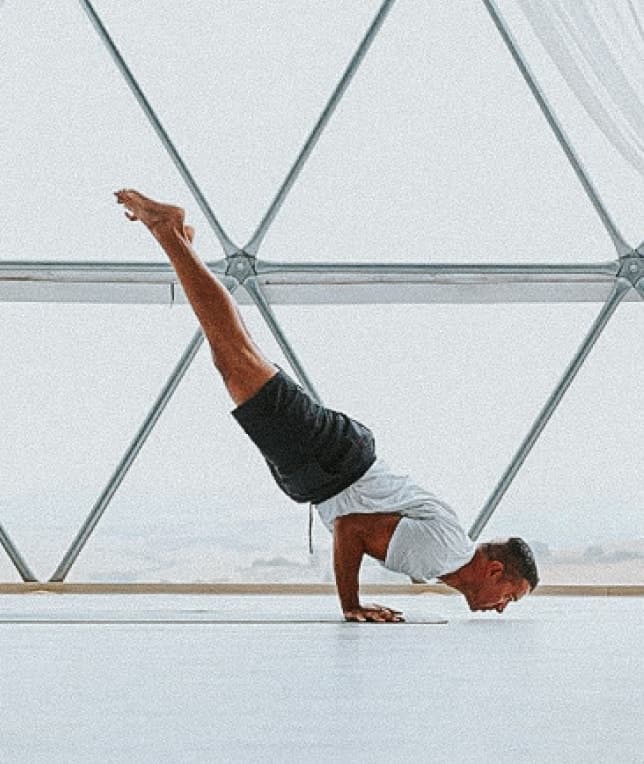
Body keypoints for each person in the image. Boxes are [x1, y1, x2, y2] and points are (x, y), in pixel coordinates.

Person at [114, 189, 539, 623]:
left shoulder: (444, 556)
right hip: (330, 462)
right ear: (494, 569)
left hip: (328, 465)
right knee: (234, 360)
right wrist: (351, 605)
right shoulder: (445, 553)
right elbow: (352, 529)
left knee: (236, 357)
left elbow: (360, 523)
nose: (504, 606)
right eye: (511, 595)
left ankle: (181, 243)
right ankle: (169, 233)